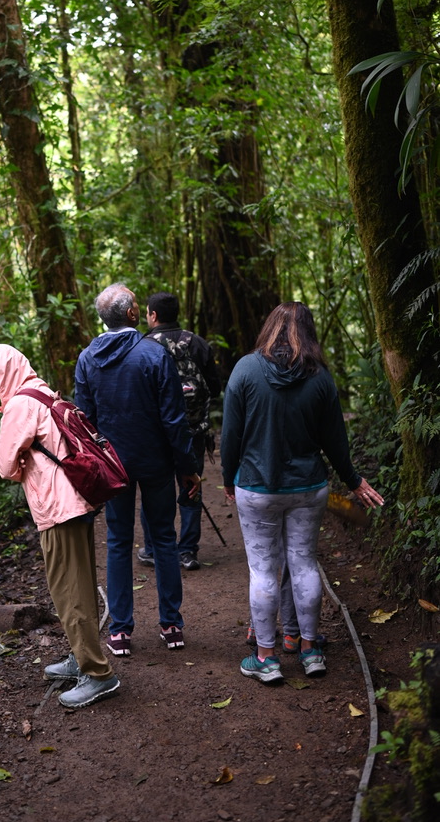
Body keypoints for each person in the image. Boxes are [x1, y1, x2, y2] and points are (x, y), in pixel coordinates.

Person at [221, 301, 383, 684]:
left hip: (258, 487)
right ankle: (310, 651)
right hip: (309, 487)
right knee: (305, 564)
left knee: (263, 569)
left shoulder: (245, 369)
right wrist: (353, 479)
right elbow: (335, 440)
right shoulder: (320, 378)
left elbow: (231, 434)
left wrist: (229, 478)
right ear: (308, 333)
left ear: (269, 329)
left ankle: (266, 659)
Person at [0, 343, 120, 709]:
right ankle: (82, 656)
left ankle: (98, 673)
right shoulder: (41, 391)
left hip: (57, 508)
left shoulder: (19, 406)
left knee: (69, 593)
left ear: (0, 376)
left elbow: (5, 466)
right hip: (76, 500)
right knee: (81, 586)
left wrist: (19, 453)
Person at [74, 283, 201, 657]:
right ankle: (171, 624)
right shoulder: (153, 354)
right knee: (163, 537)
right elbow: (174, 419)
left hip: (114, 467)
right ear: (131, 314)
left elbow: (86, 421)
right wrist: (187, 468)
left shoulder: (87, 359)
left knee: (117, 541)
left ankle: (120, 631)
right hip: (156, 463)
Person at [137, 291, 222, 571]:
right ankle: (187, 552)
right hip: (193, 431)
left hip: (154, 435)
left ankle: (152, 548)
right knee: (191, 487)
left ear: (153, 315)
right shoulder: (197, 343)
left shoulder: (142, 346)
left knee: (153, 491)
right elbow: (215, 386)